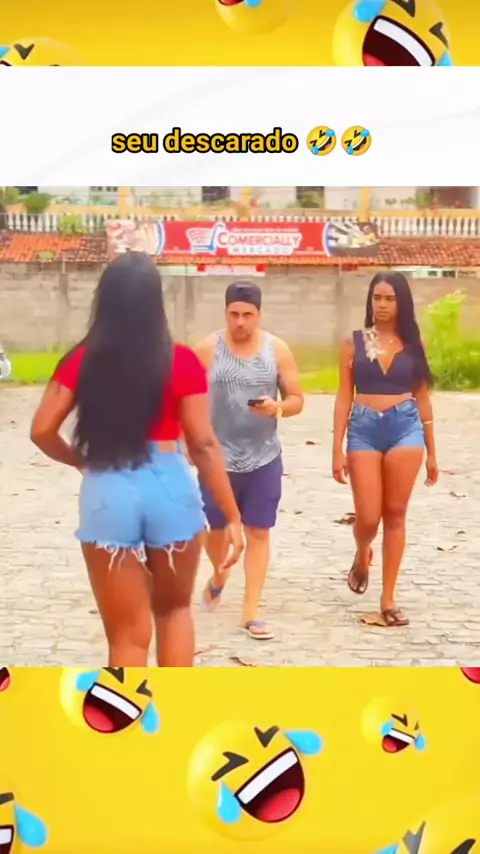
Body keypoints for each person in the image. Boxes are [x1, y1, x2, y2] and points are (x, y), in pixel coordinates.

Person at [30, 252, 244, 667]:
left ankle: (125, 709)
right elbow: (203, 444)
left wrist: (79, 460)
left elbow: (41, 430)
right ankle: (176, 709)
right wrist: (232, 515)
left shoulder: (80, 360)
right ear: (155, 302)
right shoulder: (181, 360)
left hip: (107, 488)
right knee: (174, 612)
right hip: (169, 486)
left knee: (127, 636)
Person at [195, 281, 304, 640]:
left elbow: (297, 399)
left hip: (263, 457)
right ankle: (220, 573)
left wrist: (277, 407)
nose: (240, 322)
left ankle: (251, 611)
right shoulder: (207, 350)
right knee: (215, 530)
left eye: (248, 314)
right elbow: (185, 399)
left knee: (258, 531)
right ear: (225, 313)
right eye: (234, 314)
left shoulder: (277, 350)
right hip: (217, 459)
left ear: (259, 314)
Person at [332, 271, 438, 627]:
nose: (382, 304)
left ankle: (388, 597)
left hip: (405, 427)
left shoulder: (414, 344)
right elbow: (343, 395)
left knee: (395, 512)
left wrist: (433, 452)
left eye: (390, 298)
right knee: (367, 517)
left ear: (401, 302)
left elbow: (423, 397)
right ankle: (363, 552)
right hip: (363, 430)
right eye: (377, 297)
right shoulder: (355, 343)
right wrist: (336, 447)